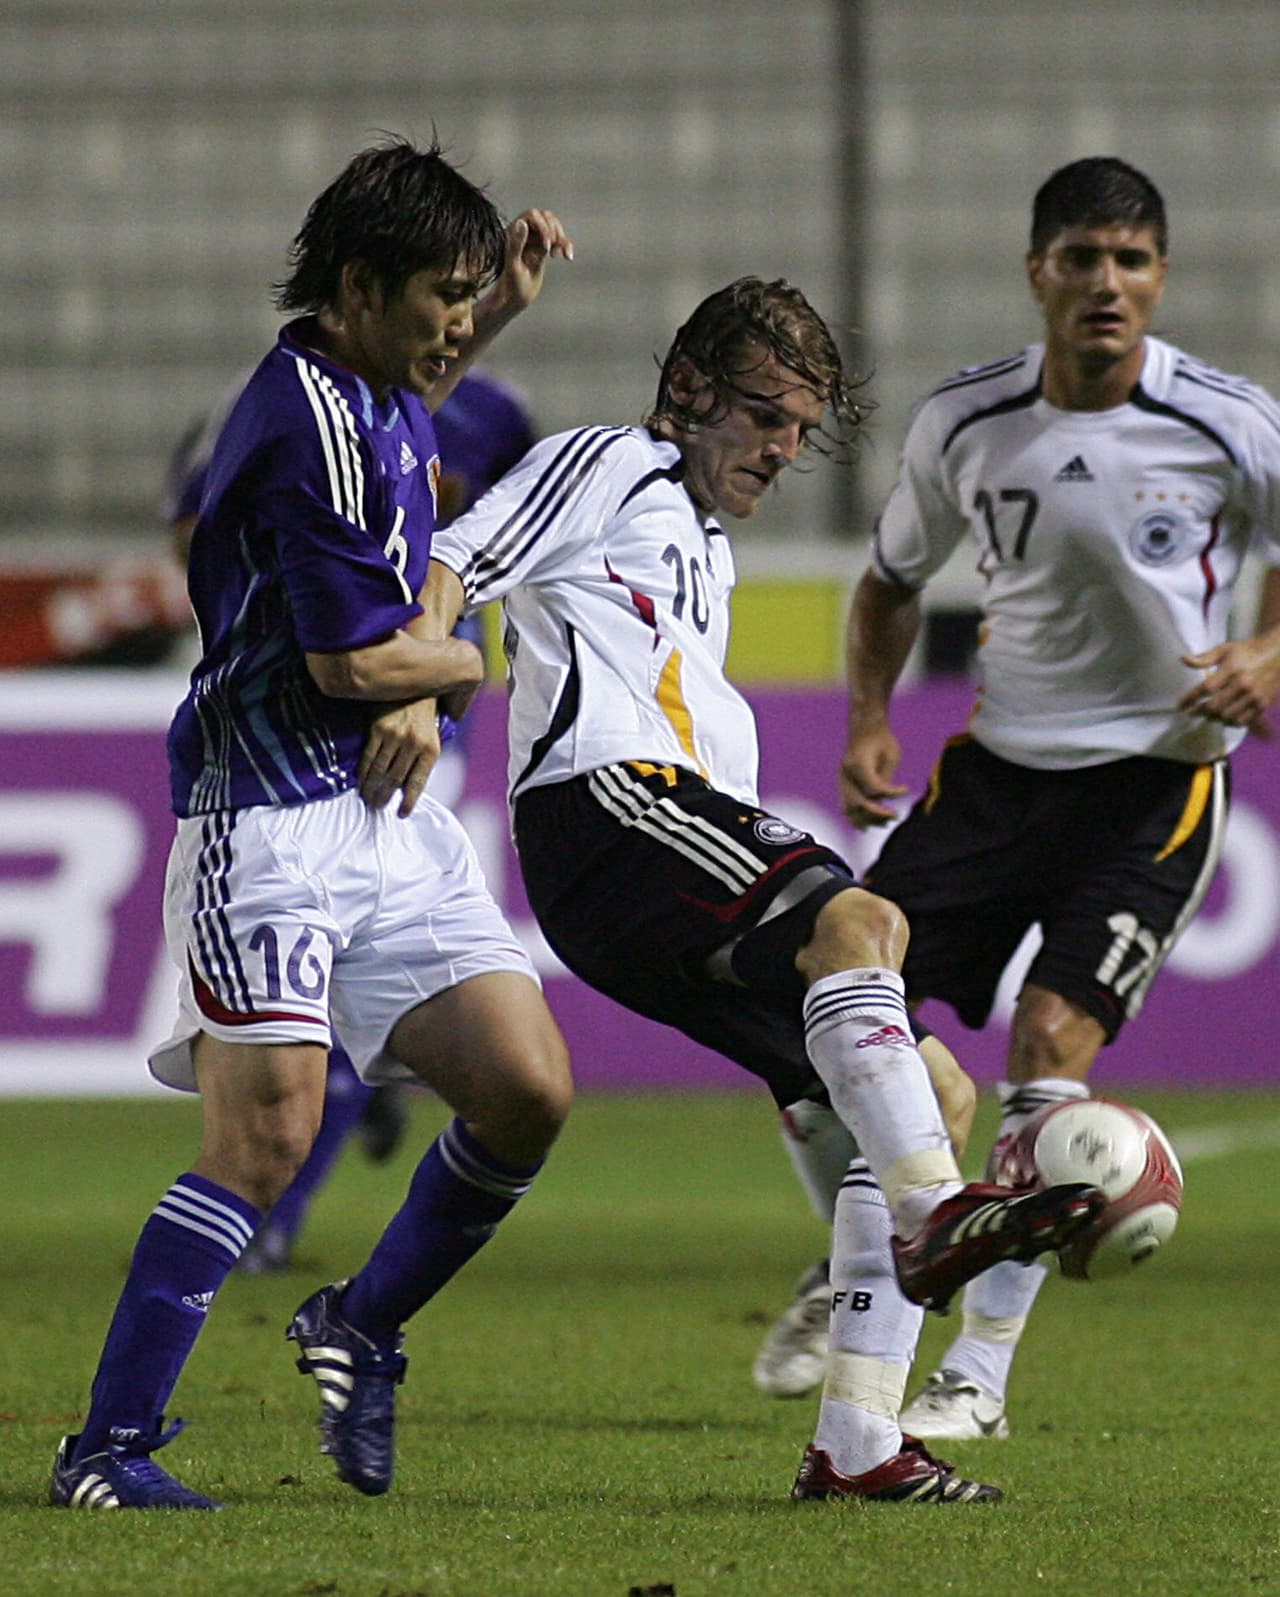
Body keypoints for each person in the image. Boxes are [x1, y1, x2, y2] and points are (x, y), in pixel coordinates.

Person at [364, 275, 1106, 1505]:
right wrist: (410, 685)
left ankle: (856, 1441)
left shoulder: (701, 545)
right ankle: (933, 1220)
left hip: (656, 841)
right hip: (608, 809)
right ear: (688, 391)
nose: (782, 449)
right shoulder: (610, 462)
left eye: (802, 430)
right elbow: (455, 558)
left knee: (929, 1088)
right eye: (764, 416)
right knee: (861, 922)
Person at [50, 134, 574, 1511]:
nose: (458, 326)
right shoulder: (314, 426)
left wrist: (503, 299)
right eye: (443, 295)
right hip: (267, 820)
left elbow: (425, 411)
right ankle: (104, 1450)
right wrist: (465, 665)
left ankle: (357, 1323)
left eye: (472, 295)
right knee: (264, 1140)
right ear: (360, 285)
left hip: (383, 823)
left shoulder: (374, 375)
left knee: (526, 1085)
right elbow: (354, 670)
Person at [760, 156, 1280, 1437]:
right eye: (1082, 257)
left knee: (1047, 1052)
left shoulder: (1228, 421)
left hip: (1153, 784)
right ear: (1036, 270)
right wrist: (871, 719)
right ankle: (855, 1256)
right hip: (992, 777)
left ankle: (972, 1381)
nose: (1106, 283)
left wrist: (1265, 654)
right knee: (824, 1026)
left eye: (1130, 260)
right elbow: (886, 583)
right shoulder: (964, 422)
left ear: (1157, 278)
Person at [161, 366, 539, 1276]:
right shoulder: (274, 406)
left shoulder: (493, 407)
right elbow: (191, 528)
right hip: (305, 706)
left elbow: (520, 528)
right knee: (321, 974)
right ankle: (347, 1105)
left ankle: (279, 1209)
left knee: (359, 927)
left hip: (429, 698)